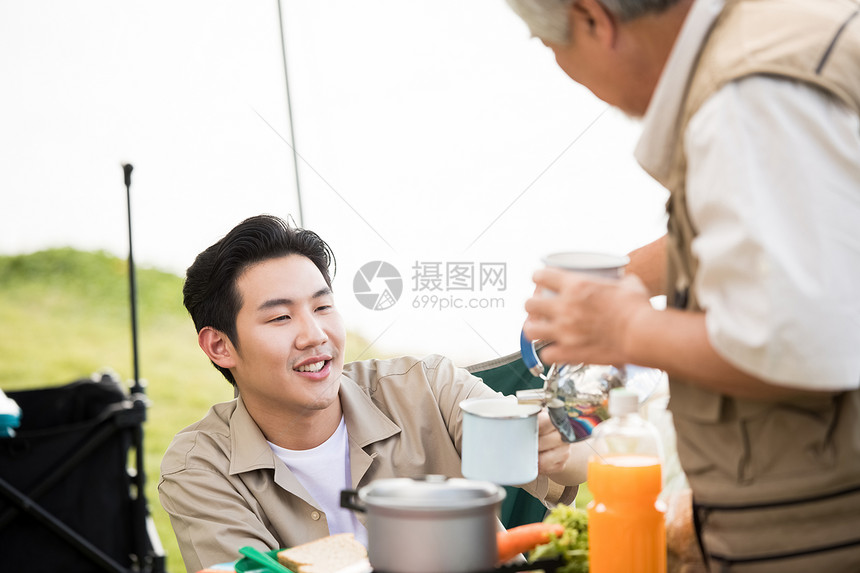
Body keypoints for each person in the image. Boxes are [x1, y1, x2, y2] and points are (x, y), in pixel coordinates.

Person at [508, 0, 860, 570]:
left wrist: (626, 328)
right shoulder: (774, 35)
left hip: (819, 535)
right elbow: (784, 239)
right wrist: (621, 280)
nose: (562, 69)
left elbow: (798, 340)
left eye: (549, 45)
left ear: (593, 18)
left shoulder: (749, 97)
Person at [158, 214, 587, 572]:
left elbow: (580, 462)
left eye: (323, 307)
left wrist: (560, 447)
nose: (314, 335)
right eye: (281, 318)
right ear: (220, 346)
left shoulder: (428, 387)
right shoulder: (198, 467)